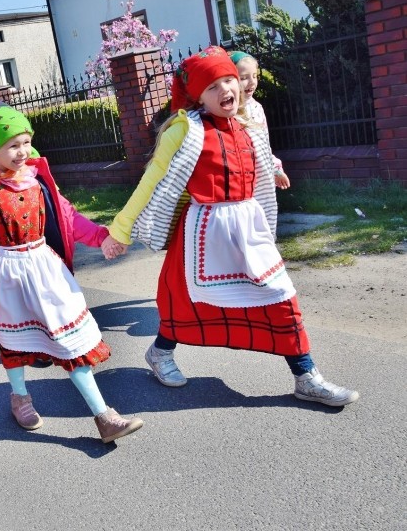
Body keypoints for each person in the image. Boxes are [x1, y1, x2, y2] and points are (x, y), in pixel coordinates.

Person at [104, 46, 358, 407]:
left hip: (247, 229)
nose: (226, 89)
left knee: (281, 296)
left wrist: (275, 170)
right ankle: (160, 353)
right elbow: (152, 180)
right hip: (201, 234)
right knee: (186, 307)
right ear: (197, 96)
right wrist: (120, 229)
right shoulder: (184, 130)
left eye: (229, 80)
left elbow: (260, 168)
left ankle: (306, 377)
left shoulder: (248, 125)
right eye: (212, 86)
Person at [0, 105, 144, 444]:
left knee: (69, 339)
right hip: (7, 274)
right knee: (15, 341)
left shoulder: (39, 182)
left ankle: (104, 416)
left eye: (26, 142)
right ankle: (20, 397)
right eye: (12, 145)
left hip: (46, 269)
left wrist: (100, 237)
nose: (22, 151)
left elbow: (68, 217)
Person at [230, 50, 291, 190]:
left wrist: (276, 169)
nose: (252, 82)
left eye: (254, 76)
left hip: (260, 177)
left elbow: (264, 145)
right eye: (244, 77)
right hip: (237, 179)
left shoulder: (257, 108)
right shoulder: (226, 111)